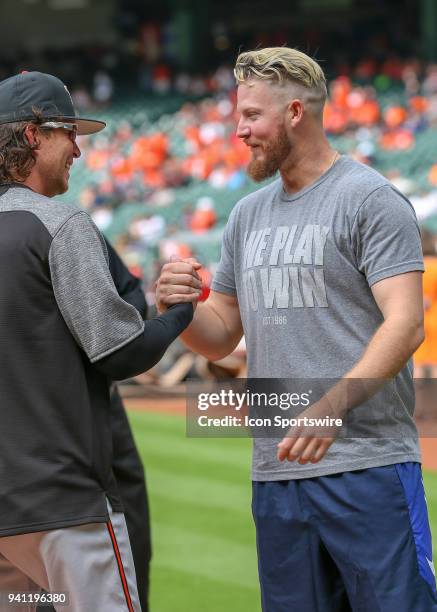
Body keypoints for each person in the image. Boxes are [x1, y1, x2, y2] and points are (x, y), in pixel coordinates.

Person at [156, 47, 437, 611]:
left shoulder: (370, 199)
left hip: (368, 467)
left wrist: (333, 404)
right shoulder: (246, 215)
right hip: (277, 473)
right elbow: (221, 334)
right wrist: (180, 311)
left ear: (294, 113)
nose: (239, 130)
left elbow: (406, 325)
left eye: (251, 116)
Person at [0, 71, 195, 612]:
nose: (79, 150)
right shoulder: (59, 224)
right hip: (66, 503)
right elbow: (122, 353)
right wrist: (176, 314)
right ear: (34, 135)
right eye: (69, 132)